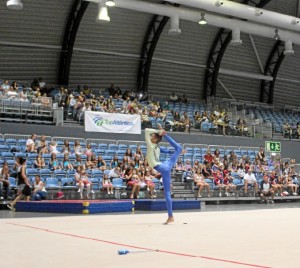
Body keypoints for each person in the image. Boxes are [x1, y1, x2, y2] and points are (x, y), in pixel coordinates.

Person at [145, 125, 184, 224]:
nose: (150, 136)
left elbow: (146, 130)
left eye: (152, 136)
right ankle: (170, 216)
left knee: (167, 193)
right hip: (166, 165)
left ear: (155, 139)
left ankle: (171, 216)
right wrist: (162, 133)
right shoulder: (157, 147)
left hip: (162, 167)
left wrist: (159, 131)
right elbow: (168, 151)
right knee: (178, 149)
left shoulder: (150, 145)